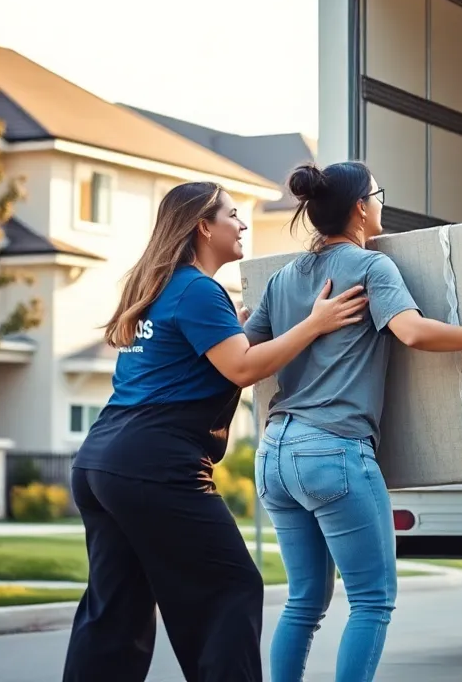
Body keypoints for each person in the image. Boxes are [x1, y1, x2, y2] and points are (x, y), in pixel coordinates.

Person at [245, 160, 462, 682]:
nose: (381, 203)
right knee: (371, 600)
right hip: (332, 450)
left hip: (274, 453)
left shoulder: (282, 277)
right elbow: (412, 331)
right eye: (377, 194)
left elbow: (245, 353)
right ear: (360, 209)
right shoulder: (371, 267)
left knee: (304, 601)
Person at [63, 181, 367, 682]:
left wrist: (234, 330)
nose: (242, 223)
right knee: (231, 589)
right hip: (156, 464)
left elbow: (198, 361)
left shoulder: (156, 286)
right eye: (232, 215)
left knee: (116, 609)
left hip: (100, 462)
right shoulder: (198, 290)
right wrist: (316, 323)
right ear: (204, 227)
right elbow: (243, 368)